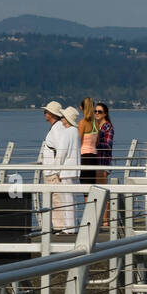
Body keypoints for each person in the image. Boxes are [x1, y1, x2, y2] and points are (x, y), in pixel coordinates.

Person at [39, 100, 80, 235]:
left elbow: (60, 150)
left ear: (51, 114)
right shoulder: (69, 130)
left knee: (59, 199)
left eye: (46, 111)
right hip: (59, 169)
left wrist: (56, 169)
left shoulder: (59, 129)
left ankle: (61, 227)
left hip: (55, 170)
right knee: (62, 199)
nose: (44, 113)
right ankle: (66, 227)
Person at [78, 97, 101, 185]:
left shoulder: (82, 123)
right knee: (92, 184)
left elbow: (78, 141)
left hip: (85, 156)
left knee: (84, 184)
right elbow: (97, 141)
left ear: (81, 108)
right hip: (94, 156)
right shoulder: (95, 123)